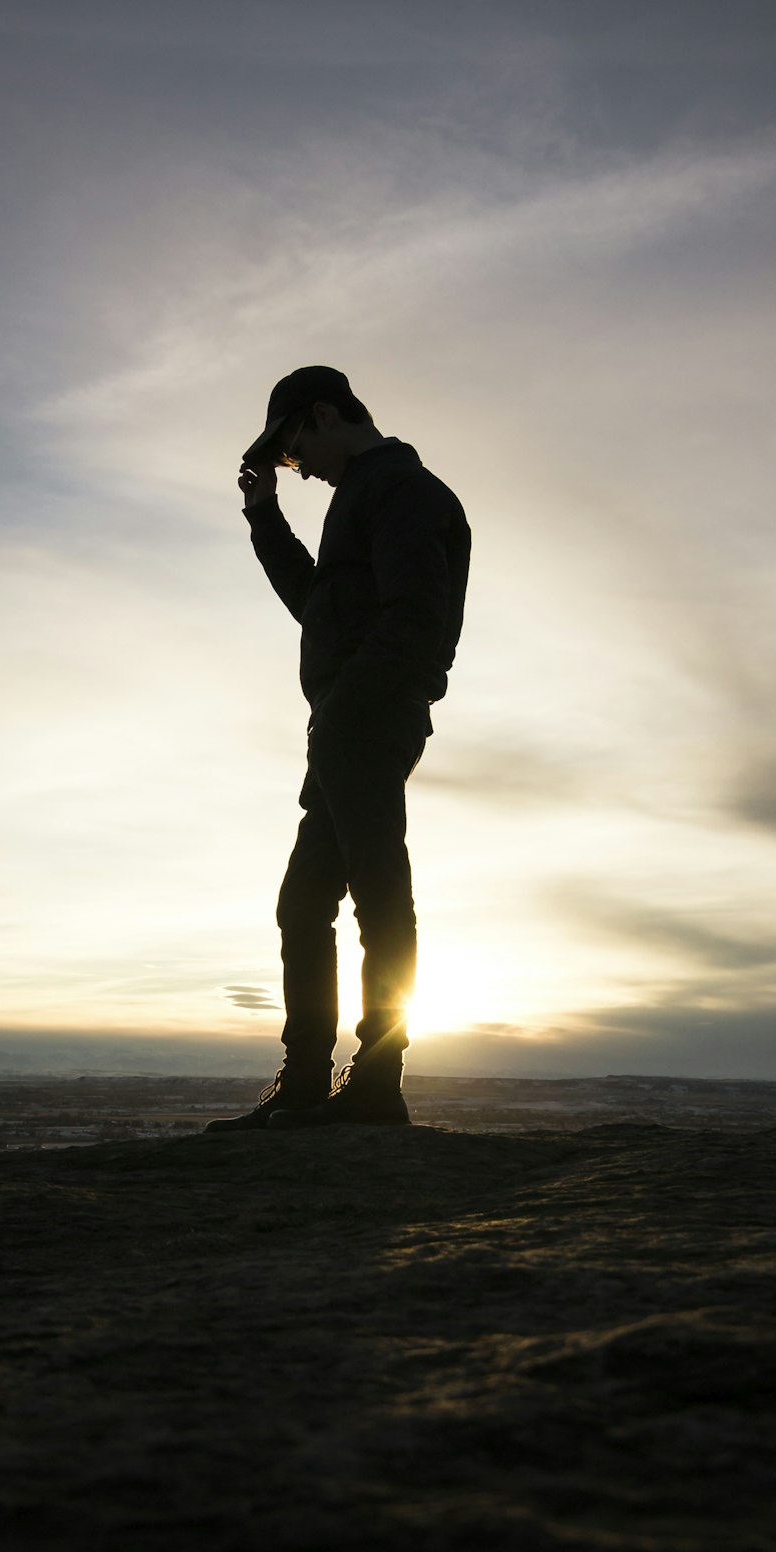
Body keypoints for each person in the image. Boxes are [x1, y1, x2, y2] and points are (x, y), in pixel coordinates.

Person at [206, 366, 470, 1131]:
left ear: (324, 415)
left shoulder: (404, 491)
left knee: (375, 885)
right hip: (347, 723)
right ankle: (306, 1084)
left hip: (368, 717)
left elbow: (415, 619)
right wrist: (264, 513)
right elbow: (319, 606)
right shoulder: (363, 496)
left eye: (293, 451)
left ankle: (377, 1081)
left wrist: (350, 707)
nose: (300, 468)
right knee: (305, 903)